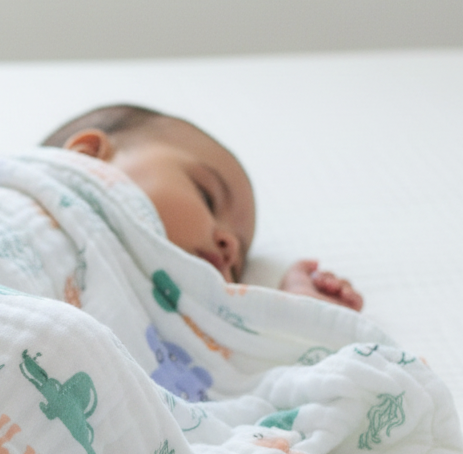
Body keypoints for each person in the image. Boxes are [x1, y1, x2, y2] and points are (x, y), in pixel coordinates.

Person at [41, 104, 363, 311]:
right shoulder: (14, 201)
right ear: (86, 155)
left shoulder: (168, 331)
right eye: (207, 197)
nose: (230, 246)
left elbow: (242, 390)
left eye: (237, 269)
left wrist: (293, 317)